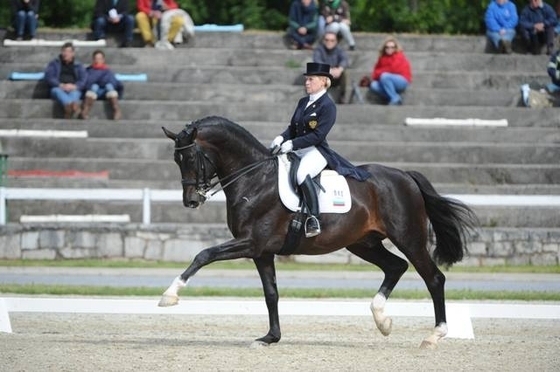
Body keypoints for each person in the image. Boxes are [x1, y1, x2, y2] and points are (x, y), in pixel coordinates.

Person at [269, 62, 370, 238]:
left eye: (310, 79)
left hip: (316, 151)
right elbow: (293, 128)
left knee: (301, 174)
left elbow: (318, 135)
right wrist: (281, 137)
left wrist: (292, 144)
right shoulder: (303, 102)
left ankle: (313, 218)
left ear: (323, 81)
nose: (307, 83)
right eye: (306, 79)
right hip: (298, 149)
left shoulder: (328, 106)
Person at [43, 42, 87, 119]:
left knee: (75, 93)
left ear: (73, 53)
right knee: (56, 91)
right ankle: (75, 108)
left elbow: (83, 79)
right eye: (64, 51)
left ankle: (68, 110)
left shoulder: (78, 65)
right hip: (59, 87)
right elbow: (49, 77)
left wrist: (75, 86)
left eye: (68, 52)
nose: (66, 54)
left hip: (73, 88)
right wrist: (60, 85)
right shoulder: (54, 63)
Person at [368, 36, 412, 106]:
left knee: (384, 76)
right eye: (387, 47)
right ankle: (396, 96)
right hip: (387, 81)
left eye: (392, 47)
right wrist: (378, 74)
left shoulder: (399, 56)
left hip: (402, 80)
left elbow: (393, 69)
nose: (389, 49)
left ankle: (394, 98)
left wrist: (379, 73)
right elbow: (375, 71)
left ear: (395, 48)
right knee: (373, 85)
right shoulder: (382, 58)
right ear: (384, 48)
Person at [81, 50, 124, 120]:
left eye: (100, 59)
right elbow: (88, 83)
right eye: (96, 58)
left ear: (103, 60)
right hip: (94, 92)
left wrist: (99, 80)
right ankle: (85, 111)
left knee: (109, 86)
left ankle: (116, 110)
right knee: (94, 86)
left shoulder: (108, 70)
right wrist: (101, 80)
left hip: (106, 93)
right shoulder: (88, 70)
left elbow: (114, 83)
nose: (97, 61)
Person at [312, 31, 350, 103]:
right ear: (323, 40)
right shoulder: (319, 49)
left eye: (332, 40)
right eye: (327, 40)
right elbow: (317, 60)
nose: (329, 42)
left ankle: (342, 96)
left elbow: (345, 60)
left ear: (336, 41)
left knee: (343, 73)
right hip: (324, 76)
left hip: (336, 76)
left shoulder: (340, 49)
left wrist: (340, 69)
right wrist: (328, 70)